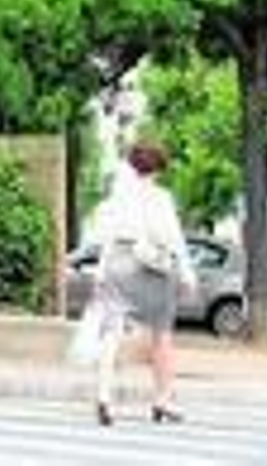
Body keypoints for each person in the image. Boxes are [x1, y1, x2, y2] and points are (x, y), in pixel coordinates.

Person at [82, 141, 196, 427]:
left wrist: (100, 272)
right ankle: (162, 401)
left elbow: (106, 237)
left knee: (111, 333)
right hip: (152, 266)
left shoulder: (118, 196)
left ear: (132, 165)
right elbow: (173, 238)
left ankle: (104, 397)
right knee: (162, 335)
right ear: (159, 167)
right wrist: (186, 273)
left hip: (118, 262)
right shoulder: (161, 197)